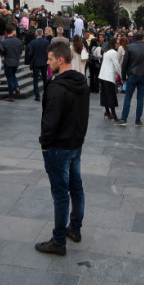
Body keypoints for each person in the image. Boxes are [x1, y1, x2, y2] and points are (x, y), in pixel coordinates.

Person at [35, 39, 89, 257]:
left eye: (50, 60)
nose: (48, 64)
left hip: (59, 147)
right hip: (76, 143)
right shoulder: (81, 81)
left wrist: (45, 146)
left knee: (60, 194)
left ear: (61, 59)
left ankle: (58, 241)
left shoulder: (56, 87)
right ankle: (74, 229)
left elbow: (50, 121)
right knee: (76, 187)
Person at [116, 32, 144, 127]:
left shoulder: (130, 47)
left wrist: (123, 77)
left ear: (134, 38)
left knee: (128, 97)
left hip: (132, 75)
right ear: (143, 38)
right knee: (140, 98)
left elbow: (125, 63)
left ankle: (124, 118)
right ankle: (138, 120)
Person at [97, 37, 122, 121]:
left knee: (105, 94)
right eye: (117, 43)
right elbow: (117, 65)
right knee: (111, 95)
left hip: (103, 75)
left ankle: (107, 111)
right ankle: (113, 113)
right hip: (109, 76)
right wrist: (122, 76)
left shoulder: (106, 51)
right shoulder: (113, 52)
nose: (118, 45)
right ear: (114, 44)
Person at [1, 28, 23, 101]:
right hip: (16, 61)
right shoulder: (18, 41)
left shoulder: (5, 42)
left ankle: (11, 96)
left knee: (9, 78)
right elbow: (21, 51)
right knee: (13, 75)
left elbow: (3, 52)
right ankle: (16, 86)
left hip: (8, 61)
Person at [28, 28, 49, 102]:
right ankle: (46, 93)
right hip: (44, 62)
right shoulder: (46, 42)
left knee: (35, 79)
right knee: (45, 78)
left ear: (36, 34)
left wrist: (31, 62)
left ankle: (37, 95)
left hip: (35, 62)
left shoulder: (32, 43)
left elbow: (30, 54)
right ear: (42, 34)